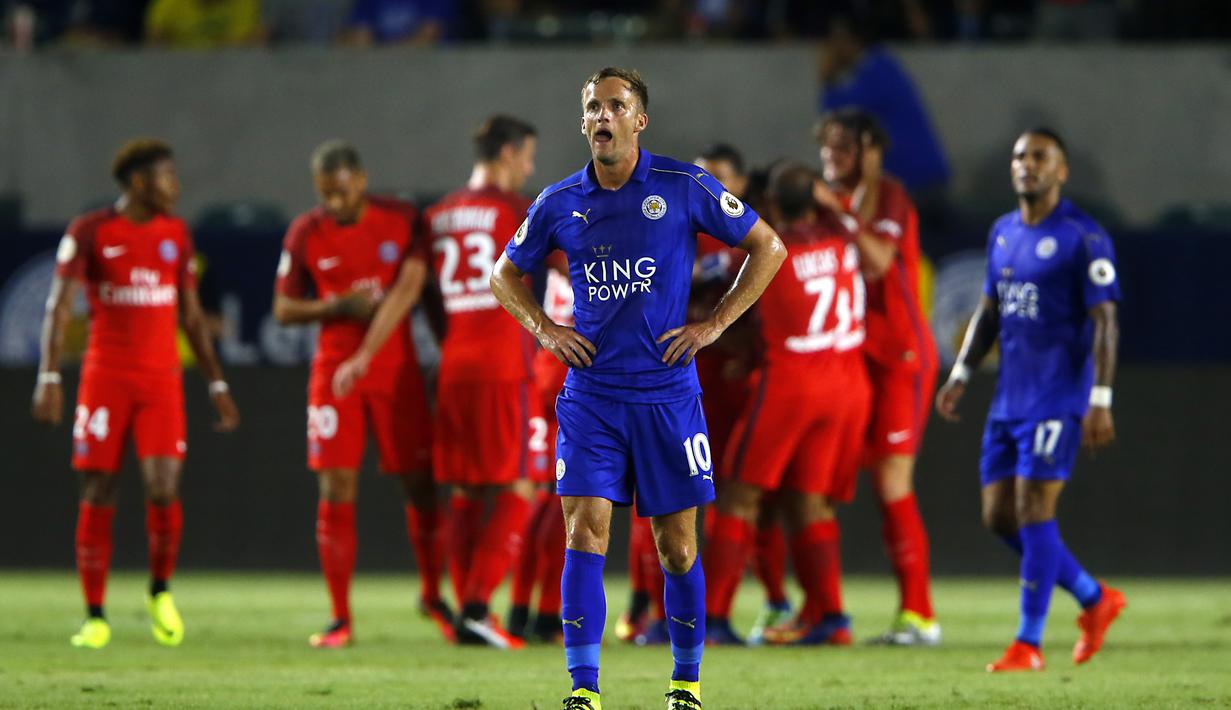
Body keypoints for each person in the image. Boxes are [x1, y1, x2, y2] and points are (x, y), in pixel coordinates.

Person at [490, 67, 786, 710]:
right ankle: (584, 690)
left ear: (639, 120)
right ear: (584, 122)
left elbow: (768, 247)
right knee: (584, 530)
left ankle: (684, 685)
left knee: (677, 545)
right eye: (592, 107)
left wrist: (713, 325)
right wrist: (544, 328)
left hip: (667, 397)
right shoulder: (559, 201)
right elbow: (504, 274)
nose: (602, 116)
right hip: (592, 397)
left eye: (615, 106)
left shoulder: (683, 186)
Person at [31, 138, 240, 649]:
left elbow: (190, 316)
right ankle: (95, 615)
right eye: (168, 177)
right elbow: (59, 306)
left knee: (163, 487)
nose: (177, 186)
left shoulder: (176, 235)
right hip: (105, 377)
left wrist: (216, 382)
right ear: (140, 183)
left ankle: (159, 591)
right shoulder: (91, 231)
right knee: (98, 489)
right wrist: (50, 376)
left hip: (161, 381)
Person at [935, 128, 1126, 672]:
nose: (1027, 164)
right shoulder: (1002, 233)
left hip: (1059, 395)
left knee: (1033, 509)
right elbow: (991, 309)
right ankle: (1095, 598)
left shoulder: (1084, 237)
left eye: (1040, 157)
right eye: (1020, 156)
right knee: (999, 518)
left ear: (1061, 171)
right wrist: (963, 372)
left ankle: (1029, 642)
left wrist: (1101, 397)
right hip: (1008, 399)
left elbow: (1106, 320)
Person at [273, 140, 446, 648]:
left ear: (362, 180)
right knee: (336, 487)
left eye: (343, 192)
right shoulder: (306, 231)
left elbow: (413, 291)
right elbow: (283, 309)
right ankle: (340, 617)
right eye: (326, 194)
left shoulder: (401, 219)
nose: (335, 203)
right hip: (333, 371)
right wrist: (336, 307)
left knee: (420, 484)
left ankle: (434, 596)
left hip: (396, 370)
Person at [703, 161, 870, 647]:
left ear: (771, 204)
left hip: (792, 381)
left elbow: (735, 306)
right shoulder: (841, 242)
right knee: (809, 502)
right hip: (844, 379)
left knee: (740, 495)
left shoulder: (770, 251)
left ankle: (712, 619)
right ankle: (832, 617)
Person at [815, 108, 941, 645]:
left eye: (842, 147)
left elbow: (879, 261)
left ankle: (919, 615)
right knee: (813, 483)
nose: (830, 158)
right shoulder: (830, 204)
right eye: (826, 148)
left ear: (870, 150)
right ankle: (821, 615)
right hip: (847, 361)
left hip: (898, 359)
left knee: (892, 482)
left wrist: (836, 212)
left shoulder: (888, 196)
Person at [421, 114, 542, 648]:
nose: (531, 166)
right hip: (499, 361)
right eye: (528, 155)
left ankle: (467, 610)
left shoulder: (439, 213)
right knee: (520, 483)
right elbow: (568, 265)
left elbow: (422, 290)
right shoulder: (514, 209)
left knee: (468, 488)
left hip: (454, 360)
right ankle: (476, 606)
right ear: (509, 154)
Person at [817, 13, 949, 196]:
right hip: (917, 177)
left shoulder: (878, 70)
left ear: (848, 40)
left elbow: (838, 117)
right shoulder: (879, 65)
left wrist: (828, 80)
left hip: (915, 180)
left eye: (834, 40)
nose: (830, 47)